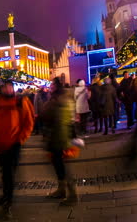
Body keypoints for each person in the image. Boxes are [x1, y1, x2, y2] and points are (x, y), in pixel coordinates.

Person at [0, 80, 34, 216]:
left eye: (9, 87)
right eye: (5, 87)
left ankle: (8, 203)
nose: (7, 89)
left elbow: (29, 121)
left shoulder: (20, 101)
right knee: (5, 173)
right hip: (0, 144)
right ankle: (6, 196)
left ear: (13, 88)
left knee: (9, 173)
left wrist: (21, 138)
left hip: (14, 143)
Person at [43, 78, 78, 206]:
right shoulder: (65, 98)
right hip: (61, 135)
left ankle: (72, 194)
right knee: (59, 164)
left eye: (52, 84)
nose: (50, 86)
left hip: (58, 136)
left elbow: (46, 113)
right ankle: (62, 189)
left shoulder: (56, 100)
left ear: (56, 87)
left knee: (61, 166)